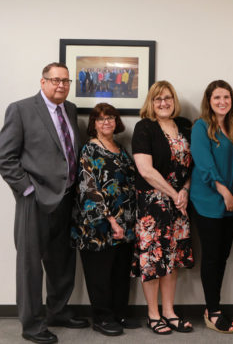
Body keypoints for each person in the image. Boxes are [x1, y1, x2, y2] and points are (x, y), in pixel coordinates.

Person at [0, 62, 89, 344]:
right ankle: (32, 325)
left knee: (62, 261)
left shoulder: (70, 110)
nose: (61, 85)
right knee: (30, 266)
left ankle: (57, 311)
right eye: (55, 80)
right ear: (43, 81)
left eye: (65, 81)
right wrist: (27, 191)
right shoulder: (21, 109)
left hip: (67, 198)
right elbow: (5, 158)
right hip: (34, 202)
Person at [131, 80, 194, 335]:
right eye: (157, 99)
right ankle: (153, 314)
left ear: (174, 100)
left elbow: (193, 164)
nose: (163, 103)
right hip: (152, 204)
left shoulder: (186, 126)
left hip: (180, 204)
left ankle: (169, 311)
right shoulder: (144, 127)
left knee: (172, 259)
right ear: (151, 103)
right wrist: (174, 194)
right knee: (153, 260)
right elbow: (146, 170)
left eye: (167, 98)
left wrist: (185, 191)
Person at [72, 103, 139, 337]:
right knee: (99, 274)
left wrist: (129, 222)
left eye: (110, 117)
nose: (106, 122)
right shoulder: (89, 150)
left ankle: (120, 312)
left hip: (126, 223)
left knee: (120, 272)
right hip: (99, 226)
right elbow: (89, 188)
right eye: (100, 119)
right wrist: (111, 221)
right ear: (93, 124)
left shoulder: (120, 148)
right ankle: (102, 317)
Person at [190, 80, 233, 334]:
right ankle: (213, 311)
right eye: (217, 98)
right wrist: (224, 192)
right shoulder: (201, 127)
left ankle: (215, 305)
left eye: (226, 97)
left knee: (223, 256)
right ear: (209, 101)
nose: (222, 102)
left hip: (232, 202)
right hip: (209, 201)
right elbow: (204, 164)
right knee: (211, 258)